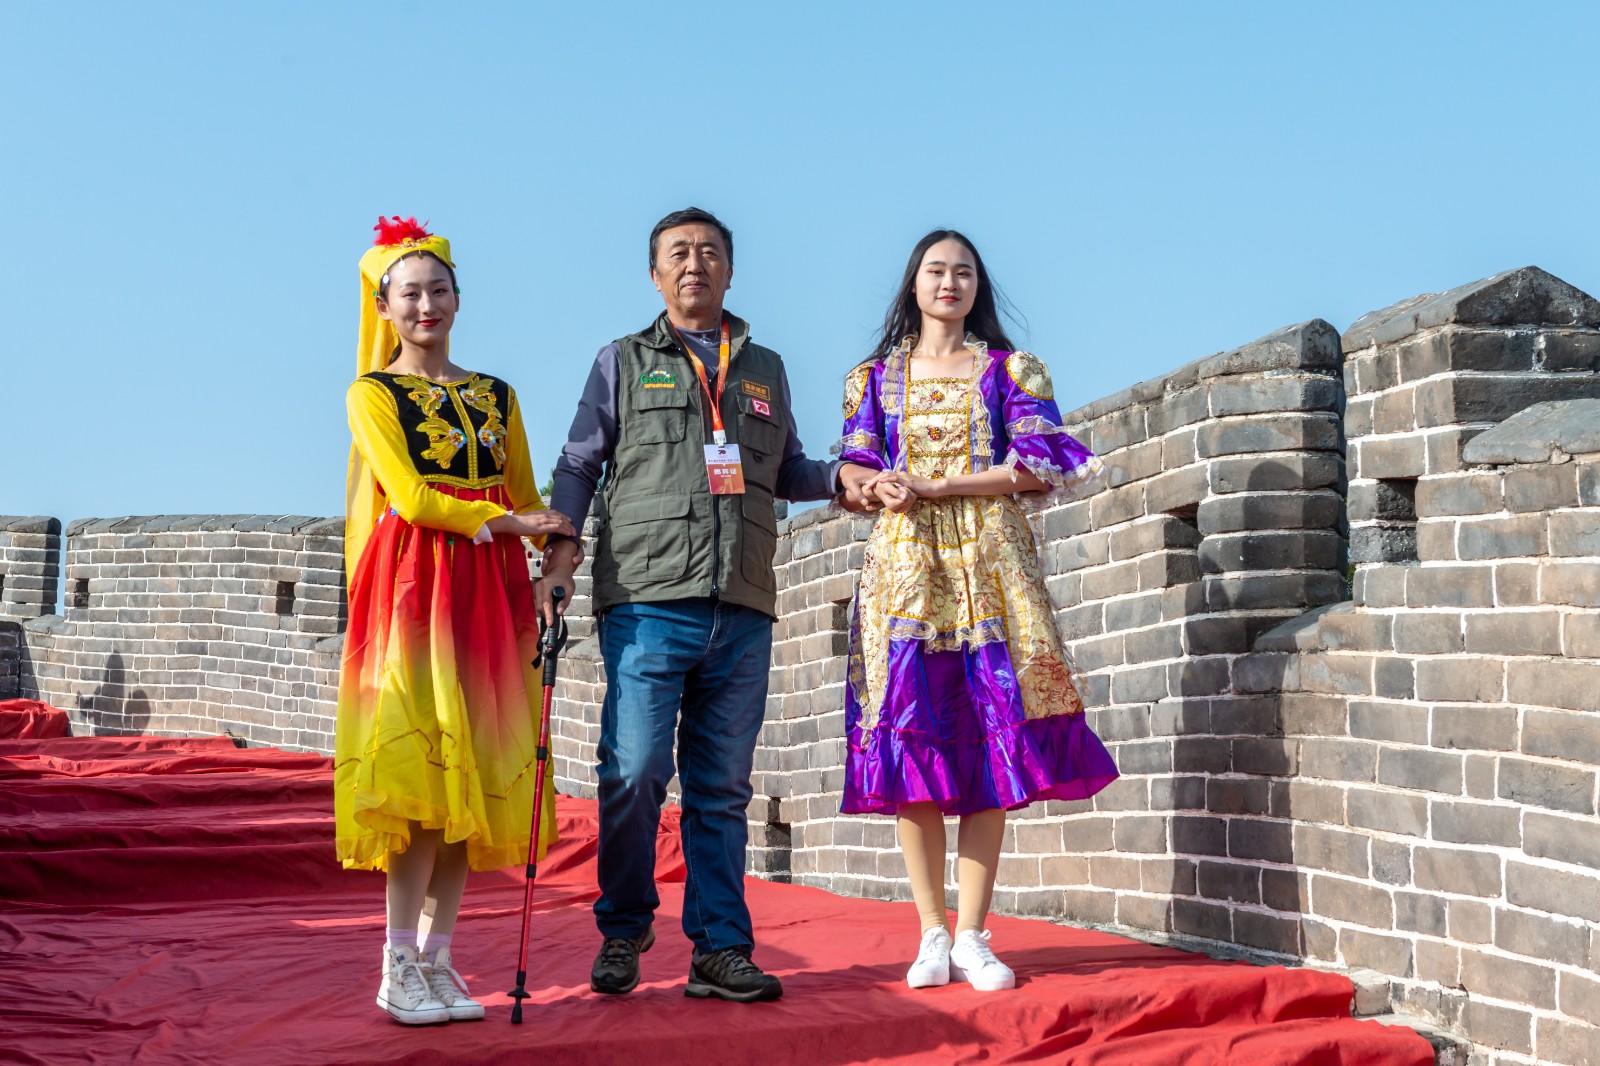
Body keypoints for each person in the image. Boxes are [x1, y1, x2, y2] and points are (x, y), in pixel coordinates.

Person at [539, 207, 878, 1003]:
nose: (695, 264)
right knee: (633, 770)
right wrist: (559, 554)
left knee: (722, 789)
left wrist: (839, 477)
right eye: (679, 253)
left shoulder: (763, 367)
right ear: (655, 274)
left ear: (730, 269)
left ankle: (720, 948)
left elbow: (787, 468)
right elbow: (579, 464)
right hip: (646, 598)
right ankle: (624, 925)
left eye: (710, 252)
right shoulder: (622, 361)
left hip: (743, 600)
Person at [836, 229, 1119, 992]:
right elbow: (853, 467)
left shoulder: (1009, 371)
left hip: (990, 568)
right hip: (905, 572)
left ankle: (972, 934)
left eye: (963, 272)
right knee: (911, 734)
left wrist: (939, 486)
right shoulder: (872, 379)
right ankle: (931, 932)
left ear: (977, 287)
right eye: (936, 270)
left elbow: (1041, 466)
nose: (949, 282)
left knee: (994, 738)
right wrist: (874, 485)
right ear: (914, 283)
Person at [336, 217, 574, 1024]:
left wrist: (559, 550)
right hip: (414, 586)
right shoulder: (372, 395)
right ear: (384, 307)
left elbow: (526, 493)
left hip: (489, 590)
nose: (426, 305)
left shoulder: (496, 396)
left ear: (459, 298)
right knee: (422, 780)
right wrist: (510, 524)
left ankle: (439, 960)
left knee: (471, 769)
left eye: (438, 290)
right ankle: (397, 962)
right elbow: (409, 497)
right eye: (409, 294)